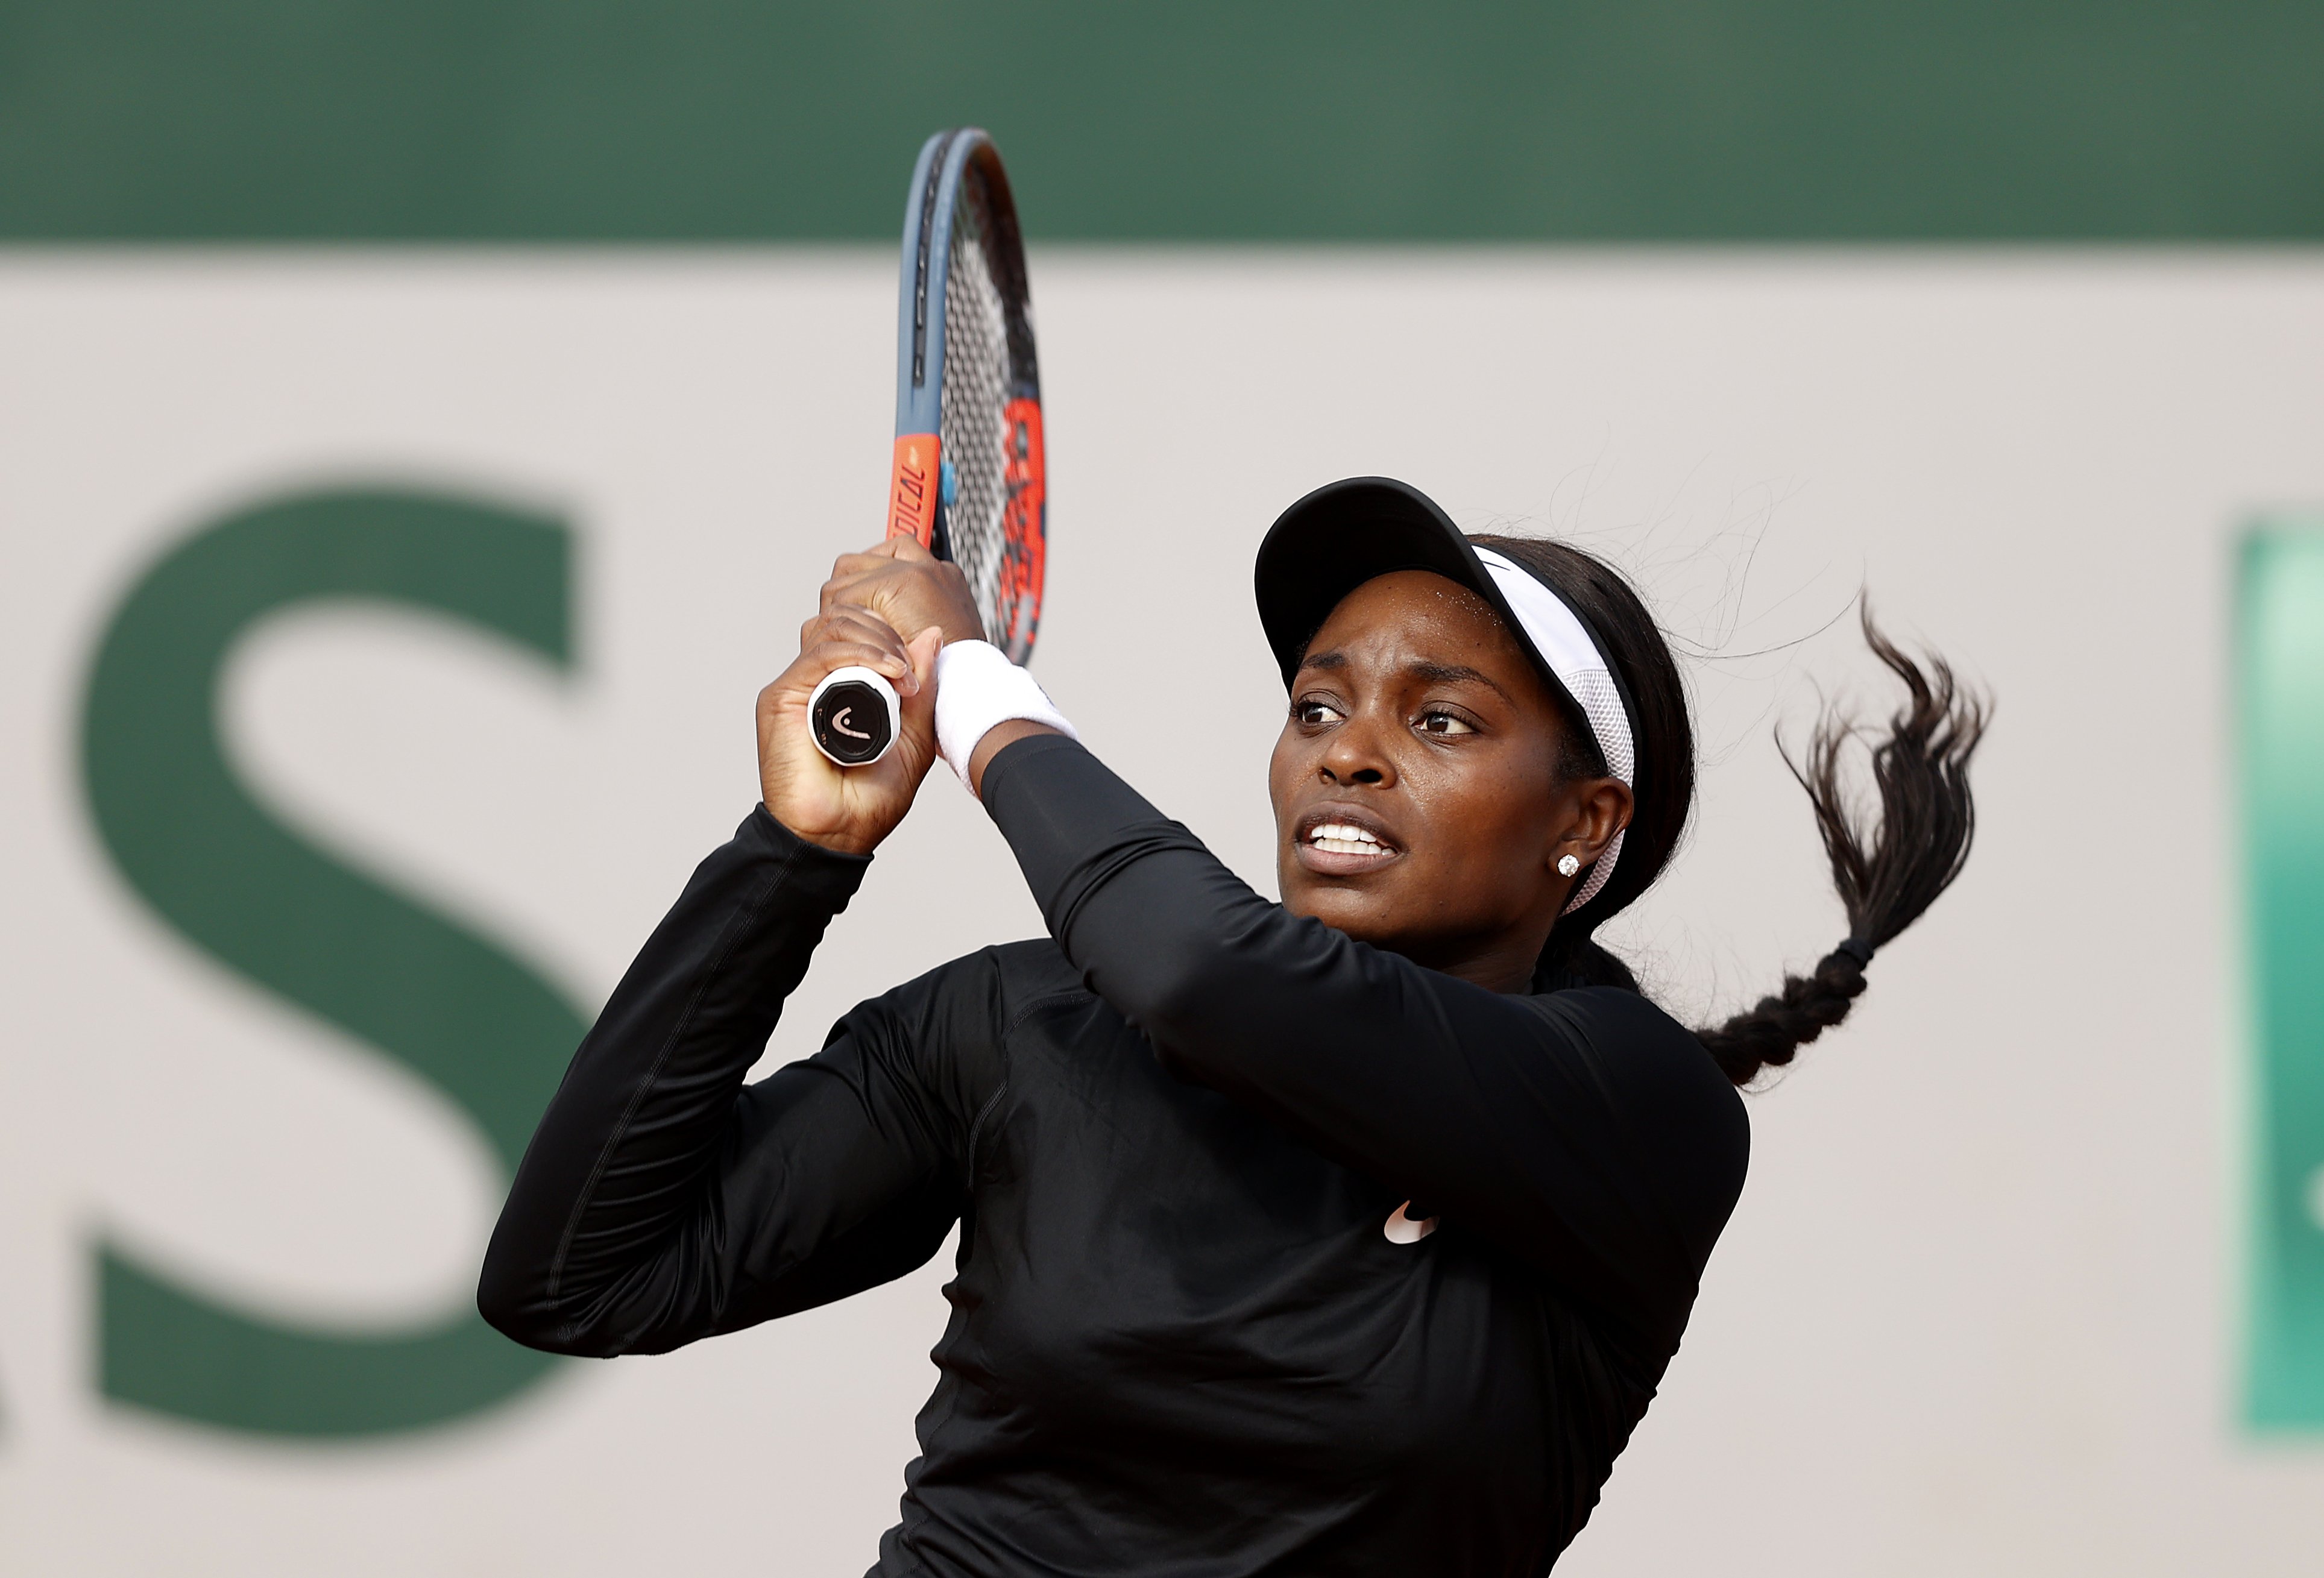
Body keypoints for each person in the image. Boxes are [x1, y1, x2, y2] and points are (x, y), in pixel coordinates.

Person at [479, 477, 1985, 1576]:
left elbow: (1204, 971)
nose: (1352, 757)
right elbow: (579, 1277)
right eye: (1318, 707)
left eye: (1439, 721)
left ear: (1580, 826)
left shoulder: (1631, 1107)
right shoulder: (1024, 1025)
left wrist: (977, 691)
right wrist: (796, 848)